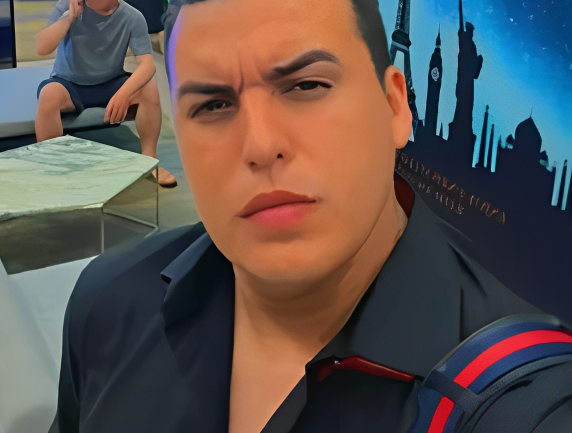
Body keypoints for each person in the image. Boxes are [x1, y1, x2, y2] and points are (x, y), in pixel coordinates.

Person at [53, 0, 572, 432]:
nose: (261, 145)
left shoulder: (521, 399)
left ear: (395, 107)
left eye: (306, 86)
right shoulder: (108, 302)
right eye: (212, 105)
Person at [35, 0, 177, 187]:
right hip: (69, 84)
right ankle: (53, 165)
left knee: (148, 87)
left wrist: (123, 94)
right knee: (48, 94)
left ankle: (149, 161)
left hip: (110, 83)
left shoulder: (132, 16)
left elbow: (147, 65)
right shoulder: (68, 5)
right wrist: (69, 18)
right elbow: (42, 47)